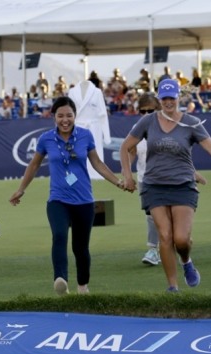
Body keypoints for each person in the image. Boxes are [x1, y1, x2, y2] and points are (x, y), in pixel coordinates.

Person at [119, 79, 211, 293]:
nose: (168, 102)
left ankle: (186, 262)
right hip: (154, 187)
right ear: (159, 99)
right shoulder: (148, 122)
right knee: (164, 236)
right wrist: (127, 176)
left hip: (183, 185)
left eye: (171, 98)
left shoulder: (191, 122)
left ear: (178, 98)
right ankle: (172, 287)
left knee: (181, 240)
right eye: (164, 98)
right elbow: (125, 146)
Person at [9, 96, 126, 296]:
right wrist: (21, 189)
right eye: (60, 116)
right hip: (58, 200)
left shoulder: (85, 136)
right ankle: (60, 280)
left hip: (84, 200)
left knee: (81, 248)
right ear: (53, 117)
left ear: (75, 116)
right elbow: (34, 164)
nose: (65, 120)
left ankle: (83, 286)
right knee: (60, 236)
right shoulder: (46, 139)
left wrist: (117, 181)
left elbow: (97, 163)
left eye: (69, 115)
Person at [127, 94, 207, 267]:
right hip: (146, 179)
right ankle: (153, 250)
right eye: (142, 111)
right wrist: (127, 174)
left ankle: (180, 244)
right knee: (152, 218)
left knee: (172, 220)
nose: (146, 113)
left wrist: (193, 173)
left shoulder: (172, 124)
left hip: (173, 179)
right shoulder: (139, 126)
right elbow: (130, 150)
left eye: (150, 110)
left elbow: (178, 155)